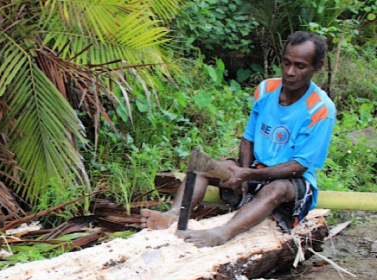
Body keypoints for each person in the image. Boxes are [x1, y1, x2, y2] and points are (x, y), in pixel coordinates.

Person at [141, 31, 336, 247]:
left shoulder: (321, 109)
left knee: (276, 189)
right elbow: (248, 138)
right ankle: (174, 215)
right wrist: (243, 172)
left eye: (300, 66)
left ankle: (221, 233)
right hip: (254, 168)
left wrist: (249, 174)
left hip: (293, 182)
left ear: (316, 67)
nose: (290, 72)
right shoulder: (266, 89)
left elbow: (298, 167)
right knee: (202, 167)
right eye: (286, 63)